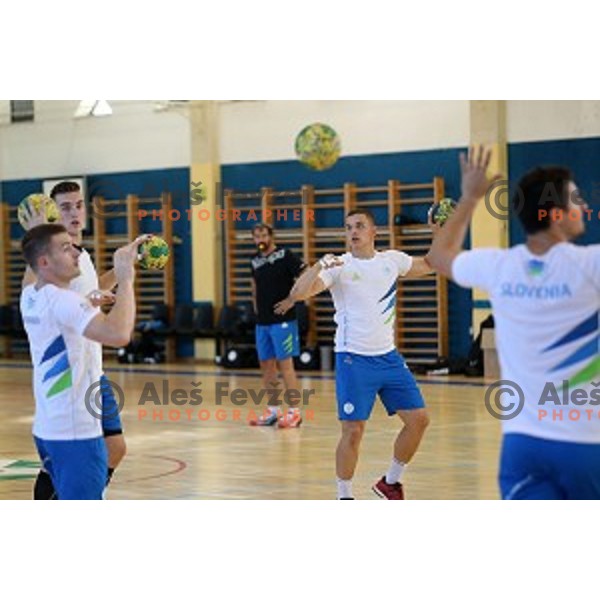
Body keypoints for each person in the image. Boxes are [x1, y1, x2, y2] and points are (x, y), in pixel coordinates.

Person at [428, 146, 600, 499]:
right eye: (575, 200)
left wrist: (470, 197)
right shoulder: (589, 265)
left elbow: (439, 256)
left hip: (523, 446)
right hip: (586, 445)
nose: (583, 207)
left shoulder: (499, 266)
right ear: (555, 214)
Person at [274, 209, 432, 499]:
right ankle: (344, 496)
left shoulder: (391, 261)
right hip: (353, 359)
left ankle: (390, 483)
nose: (353, 232)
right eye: (348, 228)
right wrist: (318, 265)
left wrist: (439, 231)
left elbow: (432, 263)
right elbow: (298, 294)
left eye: (359, 226)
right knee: (353, 431)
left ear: (375, 232)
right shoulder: (339, 266)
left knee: (419, 420)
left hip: (389, 358)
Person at [20, 224, 143, 499]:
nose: (76, 252)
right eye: (65, 248)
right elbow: (119, 334)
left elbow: (61, 315)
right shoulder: (65, 302)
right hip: (77, 435)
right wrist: (126, 279)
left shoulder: (30, 295)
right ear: (44, 262)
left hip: (48, 429)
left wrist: (89, 301)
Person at [249, 223, 306, 428]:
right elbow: (254, 287)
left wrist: (292, 299)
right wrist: (257, 309)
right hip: (262, 323)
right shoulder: (255, 262)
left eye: (263, 235)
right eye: (256, 236)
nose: (260, 239)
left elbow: (305, 274)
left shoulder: (285, 255)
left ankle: (294, 411)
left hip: (283, 321)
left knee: (286, 364)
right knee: (266, 366)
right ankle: (273, 411)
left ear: (271, 236)